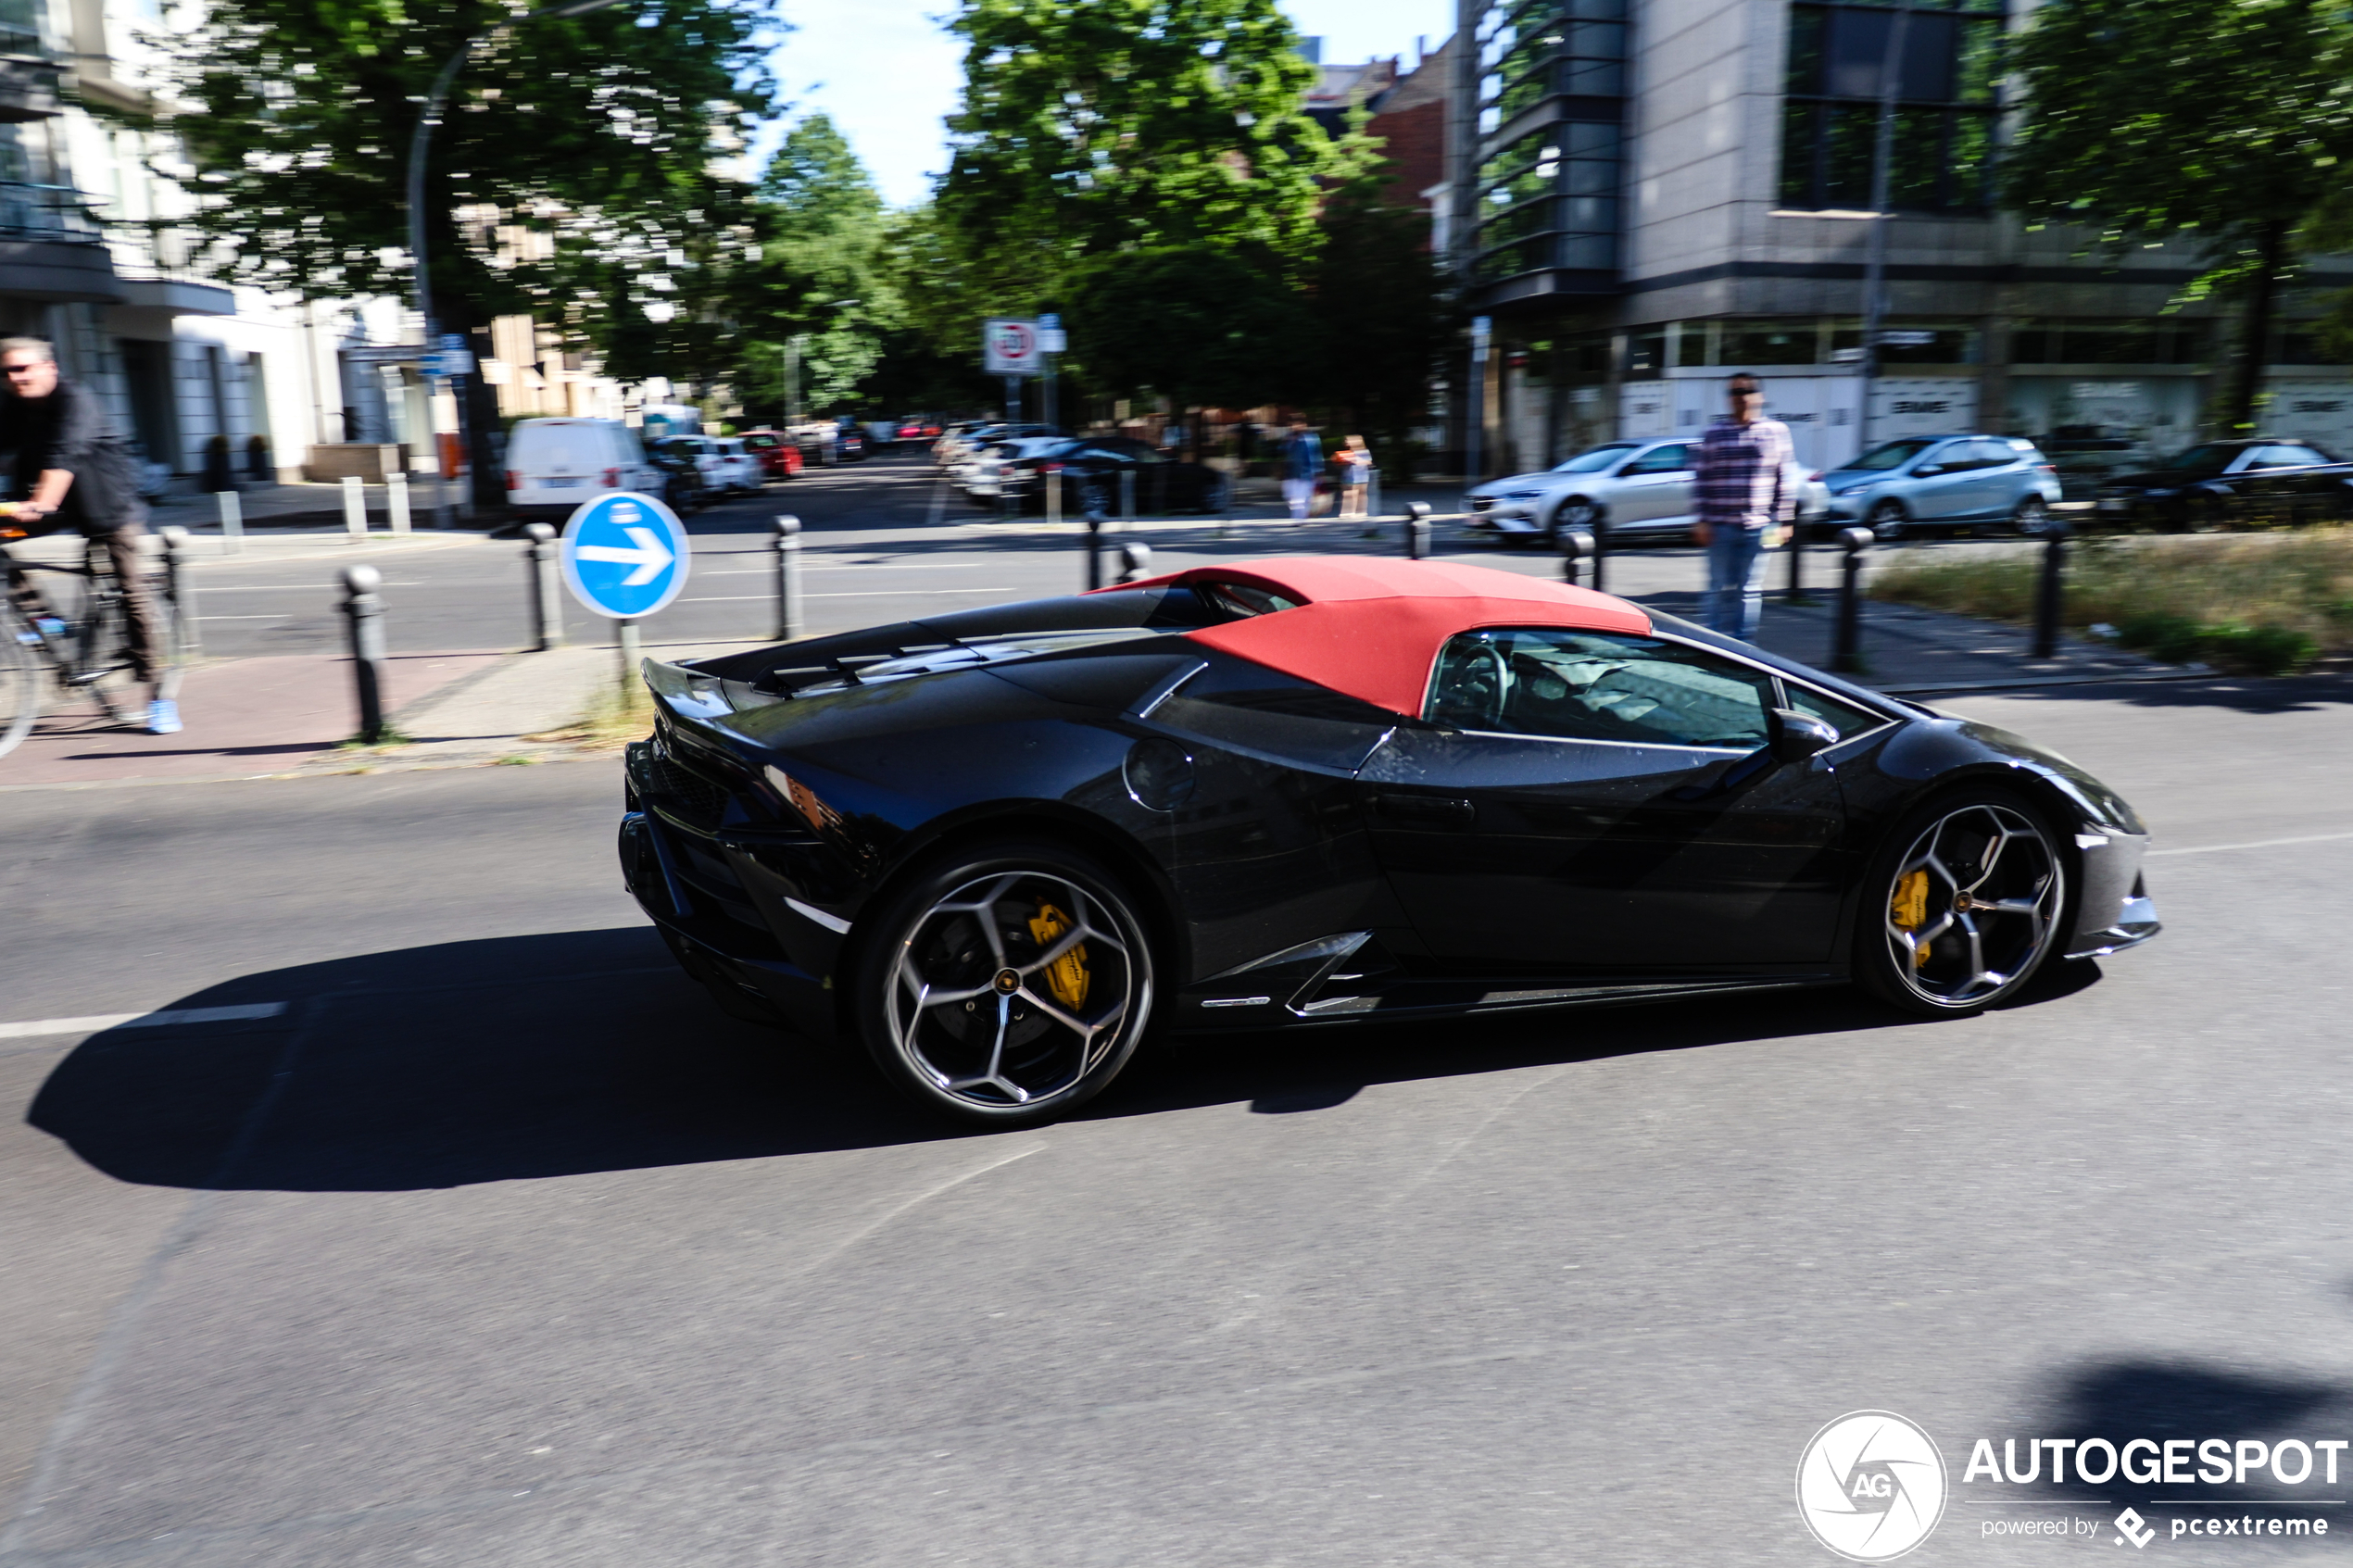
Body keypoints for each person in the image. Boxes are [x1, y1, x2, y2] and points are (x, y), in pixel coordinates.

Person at [0, 336, 178, 734]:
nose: (15, 378)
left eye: (23, 368)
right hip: (54, 505)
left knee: (132, 590)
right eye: (7, 371)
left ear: (50, 368)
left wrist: (40, 502)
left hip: (108, 505)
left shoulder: (75, 401)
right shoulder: (15, 406)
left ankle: (159, 696)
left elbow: (66, 452)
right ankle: (47, 621)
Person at [1691, 372, 1794, 643]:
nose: (1741, 397)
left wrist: (1785, 521)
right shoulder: (1714, 434)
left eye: (1747, 390)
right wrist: (1701, 520)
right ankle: (1712, 646)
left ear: (1760, 396)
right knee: (1717, 588)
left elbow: (1785, 477)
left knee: (1749, 589)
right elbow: (1702, 479)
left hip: (1760, 526)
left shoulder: (1776, 432)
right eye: (1735, 392)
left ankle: (1744, 647)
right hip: (1720, 525)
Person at [1279, 420, 1320, 521]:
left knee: (1301, 497)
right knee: (1289, 496)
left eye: (1298, 424)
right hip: (1290, 472)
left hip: (1306, 472)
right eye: (1294, 424)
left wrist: (1318, 470)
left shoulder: (1311, 438)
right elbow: (1281, 450)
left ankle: (1299, 518)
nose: (1296, 427)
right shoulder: (1290, 437)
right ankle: (1300, 515)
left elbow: (1316, 455)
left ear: (1304, 425)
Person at [1337, 434, 1373, 521]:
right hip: (1349, 476)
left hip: (1361, 476)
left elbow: (1368, 462)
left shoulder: (1364, 451)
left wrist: (1355, 460)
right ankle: (1346, 511)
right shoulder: (1347, 452)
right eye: (1346, 441)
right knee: (1347, 494)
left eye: (1349, 441)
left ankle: (1361, 511)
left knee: (1361, 494)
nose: (1347, 442)